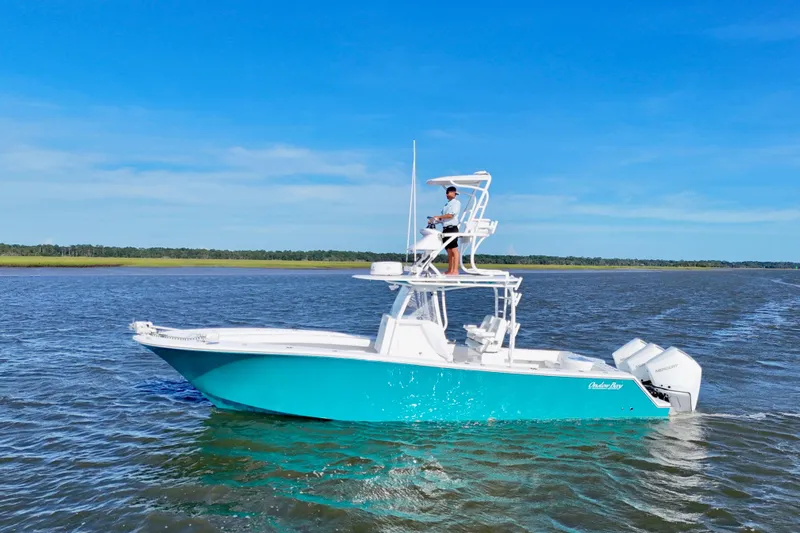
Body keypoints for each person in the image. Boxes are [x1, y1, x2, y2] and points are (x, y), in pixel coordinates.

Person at [429, 186, 461, 275]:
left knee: (454, 250)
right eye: (446, 193)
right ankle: (450, 270)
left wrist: (438, 217)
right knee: (449, 251)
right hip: (445, 228)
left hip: (452, 228)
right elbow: (443, 218)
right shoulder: (446, 205)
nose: (447, 195)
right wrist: (433, 220)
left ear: (453, 193)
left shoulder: (456, 203)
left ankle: (455, 270)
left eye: (448, 193)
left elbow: (450, 215)